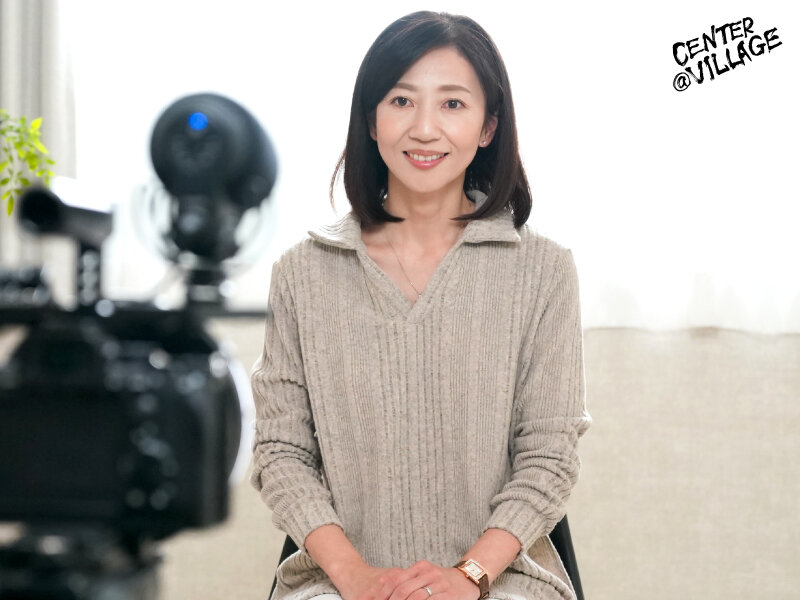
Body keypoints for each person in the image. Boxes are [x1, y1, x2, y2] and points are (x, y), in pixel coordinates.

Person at [250, 11, 591, 600]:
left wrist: (468, 577)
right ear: (371, 120)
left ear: (488, 127)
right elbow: (282, 452)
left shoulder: (544, 270)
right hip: (339, 583)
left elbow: (549, 457)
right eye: (402, 101)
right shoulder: (303, 272)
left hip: (501, 580)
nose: (425, 128)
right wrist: (356, 577)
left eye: (453, 104)